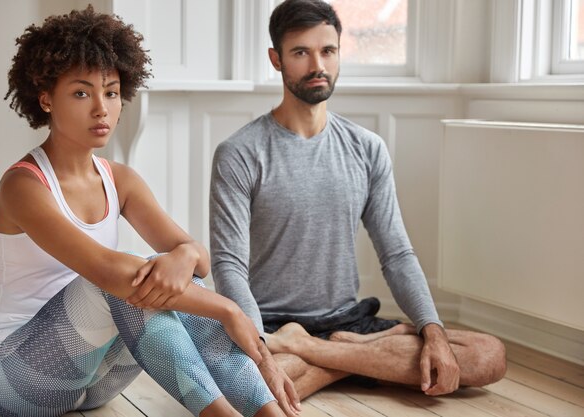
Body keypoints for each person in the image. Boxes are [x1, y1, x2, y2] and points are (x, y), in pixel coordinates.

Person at [0, 6, 288, 417]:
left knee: (156, 272)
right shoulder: (23, 186)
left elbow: (198, 259)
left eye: (111, 91)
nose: (102, 108)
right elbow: (108, 274)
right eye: (82, 92)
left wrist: (182, 255)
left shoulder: (120, 179)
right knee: (126, 278)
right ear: (46, 98)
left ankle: (270, 412)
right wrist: (230, 310)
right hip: (17, 380)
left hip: (95, 381)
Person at [209, 0, 507, 407]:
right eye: (301, 52)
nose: (318, 65)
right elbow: (229, 267)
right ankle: (370, 359)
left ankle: (318, 354)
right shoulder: (240, 153)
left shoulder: (367, 149)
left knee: (489, 355)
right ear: (276, 59)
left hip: (350, 323)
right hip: (273, 324)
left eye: (328, 51)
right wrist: (261, 348)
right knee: (241, 390)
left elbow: (397, 254)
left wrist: (431, 331)